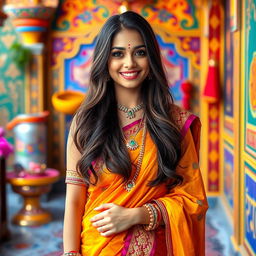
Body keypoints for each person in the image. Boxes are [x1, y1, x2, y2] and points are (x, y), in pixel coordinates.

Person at [63, 11, 208, 256]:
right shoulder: (86, 121)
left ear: (151, 59)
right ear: (105, 61)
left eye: (139, 52)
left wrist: (136, 215)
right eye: (118, 54)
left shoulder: (174, 123)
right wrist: (70, 253)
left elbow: (193, 200)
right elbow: (74, 199)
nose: (129, 62)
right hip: (96, 247)